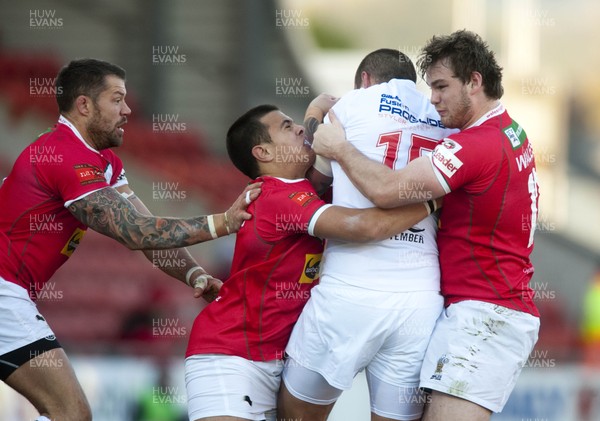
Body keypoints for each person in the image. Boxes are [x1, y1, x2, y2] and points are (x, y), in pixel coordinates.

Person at [0, 58, 260, 421]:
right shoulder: (64, 155)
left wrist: (195, 276)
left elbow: (143, 230)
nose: (128, 109)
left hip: (12, 292)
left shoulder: (103, 161)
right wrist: (223, 222)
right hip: (4, 291)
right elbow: (133, 231)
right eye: (117, 99)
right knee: (70, 413)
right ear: (84, 105)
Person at [312, 30, 541, 421]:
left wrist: (338, 147)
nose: (432, 98)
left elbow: (387, 190)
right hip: (483, 309)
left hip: (485, 316)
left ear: (474, 81)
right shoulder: (508, 128)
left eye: (441, 87)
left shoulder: (475, 146)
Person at [184, 104, 441, 421]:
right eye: (287, 127)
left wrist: (318, 110)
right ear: (263, 152)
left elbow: (319, 148)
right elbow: (364, 227)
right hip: (231, 354)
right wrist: (435, 198)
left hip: (282, 358)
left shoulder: (304, 189)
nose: (300, 130)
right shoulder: (273, 197)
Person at [278, 49, 457, 421]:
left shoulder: (352, 104)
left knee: (296, 415)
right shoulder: (445, 121)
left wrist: (314, 110)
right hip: (420, 298)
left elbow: (316, 173)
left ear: (364, 80)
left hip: (351, 288)